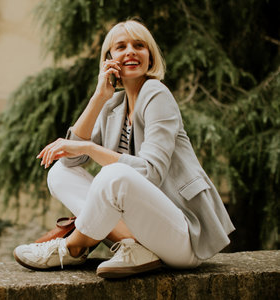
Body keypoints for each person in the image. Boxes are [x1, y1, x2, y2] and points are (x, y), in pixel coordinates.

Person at [13, 18, 235, 278]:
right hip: (144, 235)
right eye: (121, 46)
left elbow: (151, 172)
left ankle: (71, 248)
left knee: (112, 174)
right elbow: (71, 162)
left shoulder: (157, 94)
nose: (130, 51)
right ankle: (133, 247)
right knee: (60, 173)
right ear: (109, 58)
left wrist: (87, 147)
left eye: (139, 45)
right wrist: (99, 97)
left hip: (183, 235)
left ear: (150, 58)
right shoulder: (114, 105)